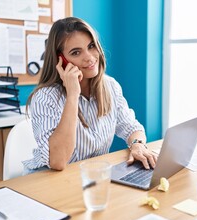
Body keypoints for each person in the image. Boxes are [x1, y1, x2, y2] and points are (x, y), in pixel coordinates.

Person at [23, 17, 157, 174]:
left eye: (91, 46)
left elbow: (131, 127)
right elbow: (58, 161)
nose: (89, 57)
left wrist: (137, 144)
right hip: (48, 177)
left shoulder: (110, 86)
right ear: (61, 60)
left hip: (91, 175)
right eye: (76, 52)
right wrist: (73, 95)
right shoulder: (45, 97)